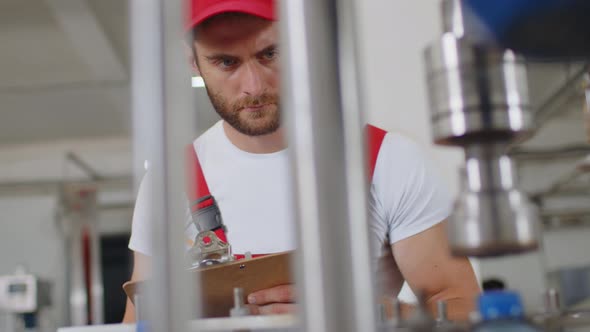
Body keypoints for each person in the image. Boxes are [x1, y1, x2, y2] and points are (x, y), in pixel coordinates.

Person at [122, 0, 480, 323]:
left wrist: (371, 314)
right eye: (226, 62)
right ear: (192, 61)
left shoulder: (386, 159)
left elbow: (462, 304)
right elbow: (137, 323)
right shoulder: (170, 183)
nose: (254, 86)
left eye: (270, 53)